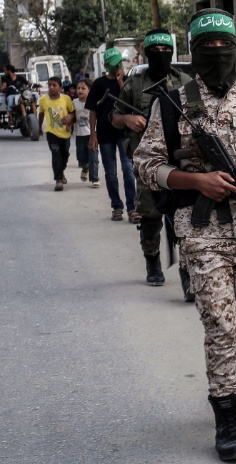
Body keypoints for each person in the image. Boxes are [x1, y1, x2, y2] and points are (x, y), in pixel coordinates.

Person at [133, 8, 236, 462]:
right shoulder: (171, 101)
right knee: (222, 325)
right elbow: (145, 164)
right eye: (208, 48)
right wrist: (196, 182)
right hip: (201, 230)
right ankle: (225, 419)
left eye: (225, 46)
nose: (218, 54)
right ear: (194, 51)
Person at [111, 28, 193, 296]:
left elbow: (202, 116)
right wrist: (128, 120)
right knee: (150, 216)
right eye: (155, 51)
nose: (161, 55)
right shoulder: (134, 84)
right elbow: (115, 117)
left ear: (172, 52)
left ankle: (188, 269)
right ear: (146, 53)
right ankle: (152, 260)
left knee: (187, 215)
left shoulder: (185, 82)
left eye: (165, 51)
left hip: (182, 161)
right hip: (147, 163)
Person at [85, 47, 138, 222]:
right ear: (107, 65)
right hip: (105, 133)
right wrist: (92, 135)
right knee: (110, 172)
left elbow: (129, 103)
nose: (118, 67)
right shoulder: (99, 84)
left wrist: (121, 81)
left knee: (128, 170)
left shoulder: (127, 80)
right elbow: (92, 110)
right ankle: (117, 206)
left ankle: (132, 208)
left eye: (119, 63)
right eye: (114, 64)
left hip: (123, 133)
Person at [37, 76, 76, 191]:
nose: (51, 87)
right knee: (55, 154)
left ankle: (61, 170)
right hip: (51, 132)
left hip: (65, 133)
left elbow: (73, 112)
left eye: (54, 85)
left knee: (65, 155)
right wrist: (39, 127)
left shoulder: (66, 99)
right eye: (49, 85)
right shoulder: (43, 100)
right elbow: (41, 114)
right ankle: (58, 180)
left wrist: (70, 117)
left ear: (61, 87)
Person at [73, 78, 100, 188]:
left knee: (93, 157)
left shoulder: (95, 102)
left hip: (91, 134)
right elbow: (71, 115)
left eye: (83, 88)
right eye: (78, 88)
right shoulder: (74, 102)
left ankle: (95, 179)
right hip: (79, 135)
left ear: (89, 90)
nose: (80, 90)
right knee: (81, 157)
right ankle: (85, 168)